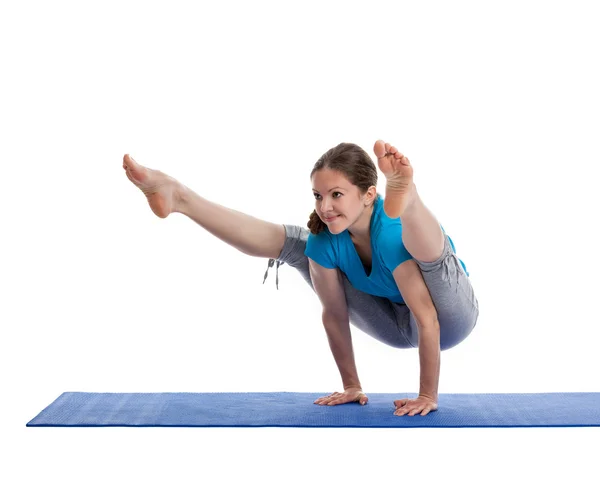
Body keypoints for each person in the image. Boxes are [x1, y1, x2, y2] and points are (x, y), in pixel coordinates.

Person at [122, 139, 479, 417]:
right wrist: (351, 386)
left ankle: (410, 197)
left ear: (370, 195)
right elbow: (335, 315)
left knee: (430, 256)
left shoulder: (389, 234)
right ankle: (179, 197)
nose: (324, 207)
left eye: (336, 195)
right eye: (318, 195)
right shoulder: (327, 240)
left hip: (449, 315)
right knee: (302, 244)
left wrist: (427, 395)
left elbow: (428, 317)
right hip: (402, 328)